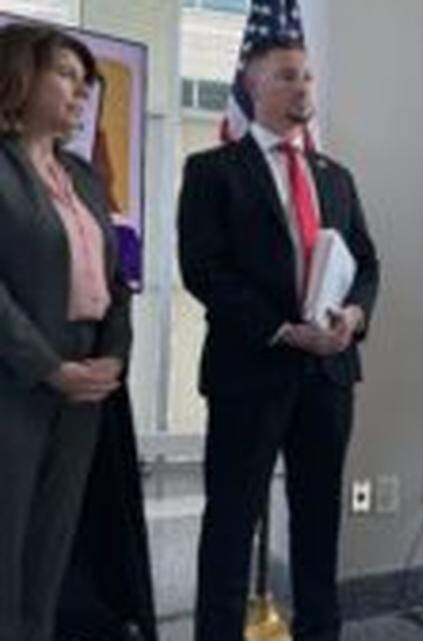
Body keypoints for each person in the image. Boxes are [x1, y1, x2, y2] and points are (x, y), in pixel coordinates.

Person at [177, 36, 379, 641]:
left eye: (308, 77)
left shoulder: (335, 177)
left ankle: (321, 630)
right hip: (251, 369)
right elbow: (204, 268)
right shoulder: (213, 170)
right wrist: (282, 330)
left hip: (329, 375)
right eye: (288, 76)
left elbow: (367, 265)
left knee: (319, 521)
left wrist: (353, 318)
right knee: (232, 521)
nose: (303, 87)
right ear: (254, 84)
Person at [0, 23, 133, 641]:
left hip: (85, 386)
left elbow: (116, 278)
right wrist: (48, 366)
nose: (80, 95)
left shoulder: (83, 176)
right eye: (66, 76)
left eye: (87, 84)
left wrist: (113, 358)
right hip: (17, 383)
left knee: (52, 547)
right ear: (20, 78)